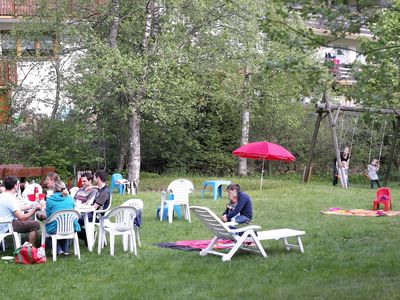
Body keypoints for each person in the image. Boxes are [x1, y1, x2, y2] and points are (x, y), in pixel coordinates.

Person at [0, 176, 41, 246]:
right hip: (7, 225)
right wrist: (35, 209)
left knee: (30, 223)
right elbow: (22, 218)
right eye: (18, 184)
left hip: (2, 223)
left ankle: (29, 247)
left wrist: (31, 206)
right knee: (35, 224)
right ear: (15, 186)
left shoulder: (3, 195)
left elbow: (15, 208)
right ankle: (30, 248)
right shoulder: (9, 198)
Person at [45, 180, 80, 255]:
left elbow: (48, 216)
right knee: (65, 224)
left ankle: (58, 249)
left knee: (47, 231)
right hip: (70, 226)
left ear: (53, 189)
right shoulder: (70, 198)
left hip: (55, 228)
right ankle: (64, 249)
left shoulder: (50, 200)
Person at [78, 170, 110, 245]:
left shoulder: (104, 193)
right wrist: (92, 186)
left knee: (74, 221)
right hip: (93, 214)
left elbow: (94, 208)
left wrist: (84, 207)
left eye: (94, 177)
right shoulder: (102, 188)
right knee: (75, 220)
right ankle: (87, 236)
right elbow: (99, 187)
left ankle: (87, 236)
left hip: (97, 216)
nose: (93, 178)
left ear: (98, 178)